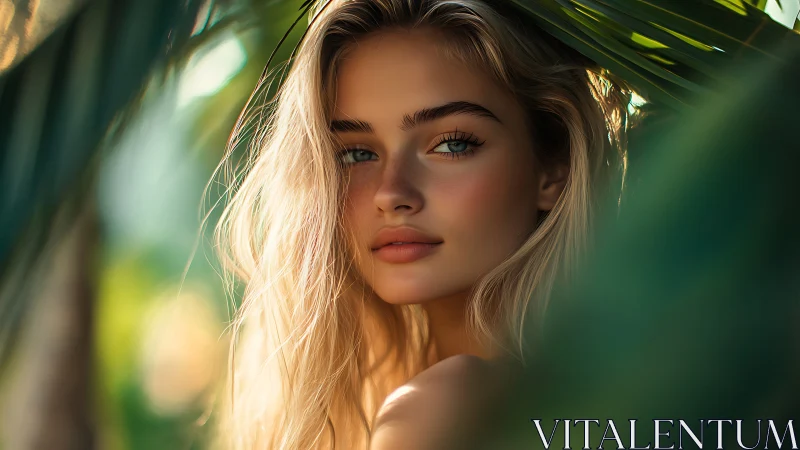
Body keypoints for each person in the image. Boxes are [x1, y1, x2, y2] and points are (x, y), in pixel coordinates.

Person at [211, 0, 634, 448]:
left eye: (452, 145)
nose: (391, 193)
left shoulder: (439, 410)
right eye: (356, 154)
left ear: (554, 164)